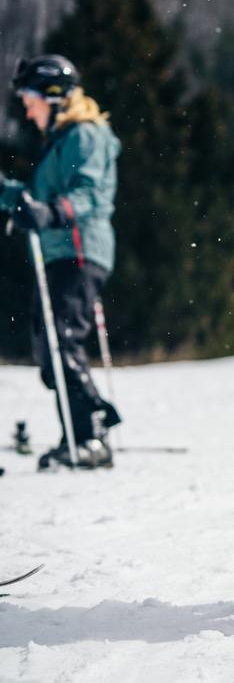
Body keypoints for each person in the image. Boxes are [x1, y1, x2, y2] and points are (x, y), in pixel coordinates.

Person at [2, 55, 121, 470]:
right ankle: (84, 431)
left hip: (78, 249)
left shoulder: (85, 135)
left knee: (62, 341)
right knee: (48, 345)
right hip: (59, 253)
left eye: (30, 99)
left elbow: (92, 194)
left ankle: (89, 437)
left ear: (54, 98)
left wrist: (51, 213)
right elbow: (36, 199)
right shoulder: (61, 140)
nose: (26, 108)